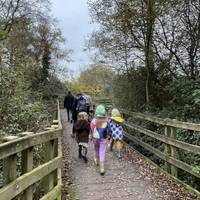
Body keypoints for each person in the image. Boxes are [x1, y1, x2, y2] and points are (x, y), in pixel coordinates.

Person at [90, 104, 109, 176]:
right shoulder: (106, 120)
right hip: (103, 138)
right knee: (102, 151)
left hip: (95, 137)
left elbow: (91, 129)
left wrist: (91, 136)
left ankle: (96, 159)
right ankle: (102, 167)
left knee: (96, 149)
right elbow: (108, 129)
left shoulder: (93, 121)